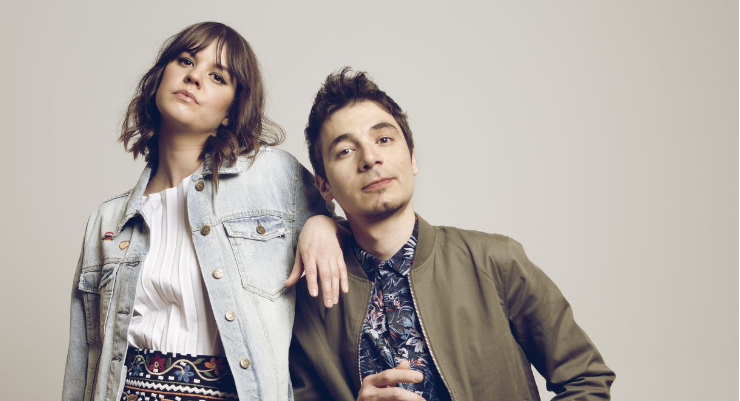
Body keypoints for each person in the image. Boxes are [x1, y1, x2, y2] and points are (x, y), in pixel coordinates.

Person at [290, 68, 615, 401]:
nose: (370, 158)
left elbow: (586, 380)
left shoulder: (494, 261)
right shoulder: (309, 308)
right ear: (323, 186)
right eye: (345, 151)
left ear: (412, 158)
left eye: (384, 139)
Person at [62, 22, 347, 401]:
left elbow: (355, 240)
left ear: (231, 110)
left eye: (217, 76)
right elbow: (84, 361)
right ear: (160, 78)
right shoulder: (107, 220)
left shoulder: (275, 177)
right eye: (185, 61)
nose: (194, 77)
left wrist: (323, 224)